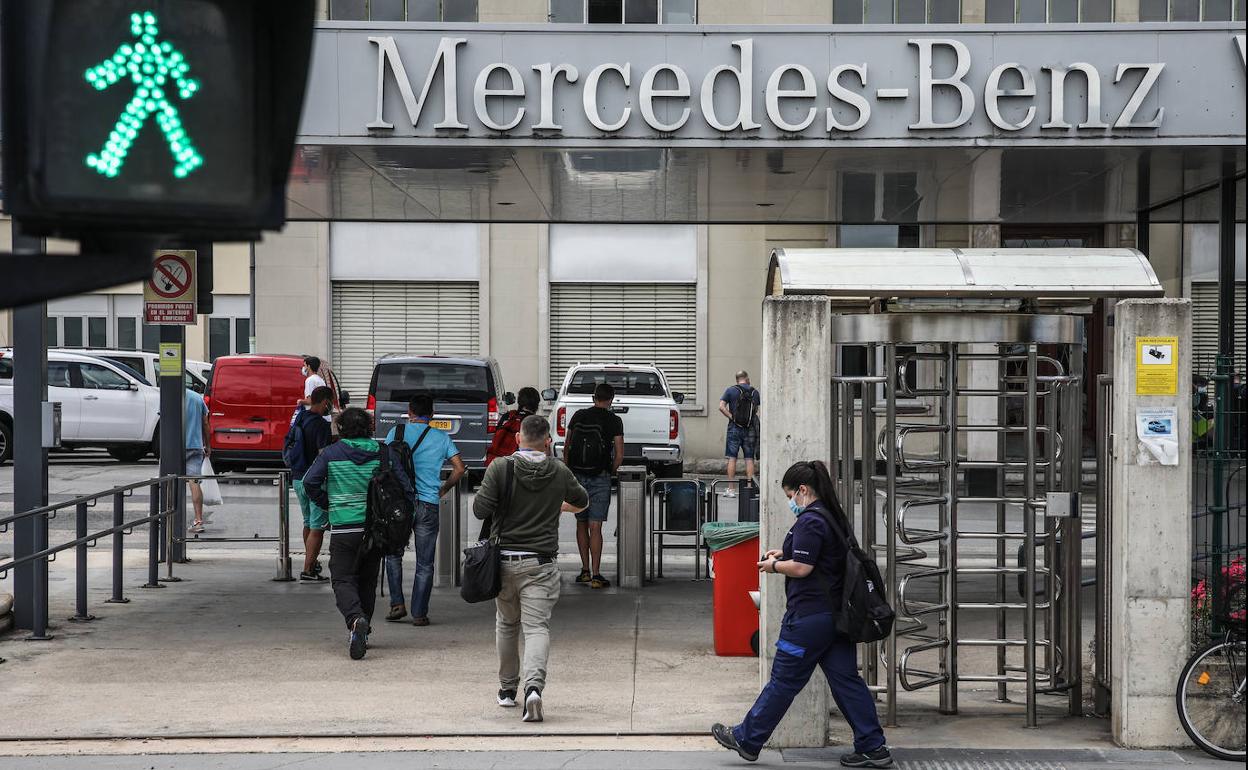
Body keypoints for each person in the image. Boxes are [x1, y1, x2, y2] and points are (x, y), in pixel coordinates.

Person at [712, 460, 892, 769]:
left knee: (783, 681)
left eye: (790, 495)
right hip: (835, 618)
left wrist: (774, 566)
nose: (790, 501)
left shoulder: (811, 521)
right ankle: (873, 746)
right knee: (846, 680)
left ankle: (747, 739)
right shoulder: (832, 516)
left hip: (809, 619)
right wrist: (784, 553)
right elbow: (822, 558)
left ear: (803, 490)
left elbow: (803, 567)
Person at [473, 415, 589, 722]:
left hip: (503, 563)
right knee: (537, 628)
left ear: (518, 438)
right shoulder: (559, 470)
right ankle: (534, 688)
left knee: (507, 624)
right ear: (548, 440)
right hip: (540, 564)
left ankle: (507, 691)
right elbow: (582, 501)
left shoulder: (501, 467)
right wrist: (558, 505)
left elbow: (479, 509)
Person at [303, 407, 413, 660]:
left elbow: (310, 481)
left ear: (341, 429)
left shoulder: (331, 454)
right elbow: (405, 489)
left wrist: (328, 503)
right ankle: (363, 629)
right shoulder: (384, 453)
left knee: (342, 579)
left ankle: (355, 620)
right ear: (369, 428)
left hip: (344, 528)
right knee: (367, 580)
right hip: (376, 528)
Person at [383, 393, 467, 625]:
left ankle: (397, 604)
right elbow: (459, 469)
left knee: (393, 554)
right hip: (428, 503)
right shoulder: (441, 437)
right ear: (432, 414)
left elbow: (386, 464)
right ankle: (419, 613)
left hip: (400, 504)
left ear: (409, 412)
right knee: (425, 562)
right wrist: (444, 488)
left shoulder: (396, 433)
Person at [563, 382, 624, 589]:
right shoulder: (614, 420)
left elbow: (567, 446)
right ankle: (597, 575)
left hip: (577, 475)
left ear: (593, 397)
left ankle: (585, 571)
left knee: (581, 523)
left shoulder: (579, 415)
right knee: (595, 526)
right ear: (611, 400)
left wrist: (570, 470)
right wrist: (610, 470)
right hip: (600, 476)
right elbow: (619, 454)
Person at [287, 385, 334, 581]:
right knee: (318, 526)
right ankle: (308, 570)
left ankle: (311, 564)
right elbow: (324, 454)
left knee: (308, 522)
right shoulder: (321, 425)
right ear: (325, 402)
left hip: (298, 478)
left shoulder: (300, 418)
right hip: (314, 481)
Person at [718, 371, 761, 496]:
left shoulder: (731, 391)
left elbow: (721, 406)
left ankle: (731, 489)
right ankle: (749, 487)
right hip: (750, 429)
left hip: (734, 428)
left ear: (737, 380)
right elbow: (756, 410)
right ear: (747, 378)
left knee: (732, 458)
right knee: (749, 459)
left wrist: (733, 417)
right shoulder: (755, 392)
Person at [486, 386, 542, 467]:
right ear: (536, 404)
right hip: (522, 466)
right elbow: (544, 449)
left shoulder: (507, 416)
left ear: (519, 402)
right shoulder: (536, 422)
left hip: (498, 464)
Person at [184, 386, 211, 533]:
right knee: (194, 482)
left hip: (174, 448)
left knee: (169, 481)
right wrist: (208, 445)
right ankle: (198, 520)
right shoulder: (196, 398)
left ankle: (167, 516)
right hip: (194, 445)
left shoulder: (169, 396)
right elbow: (205, 423)